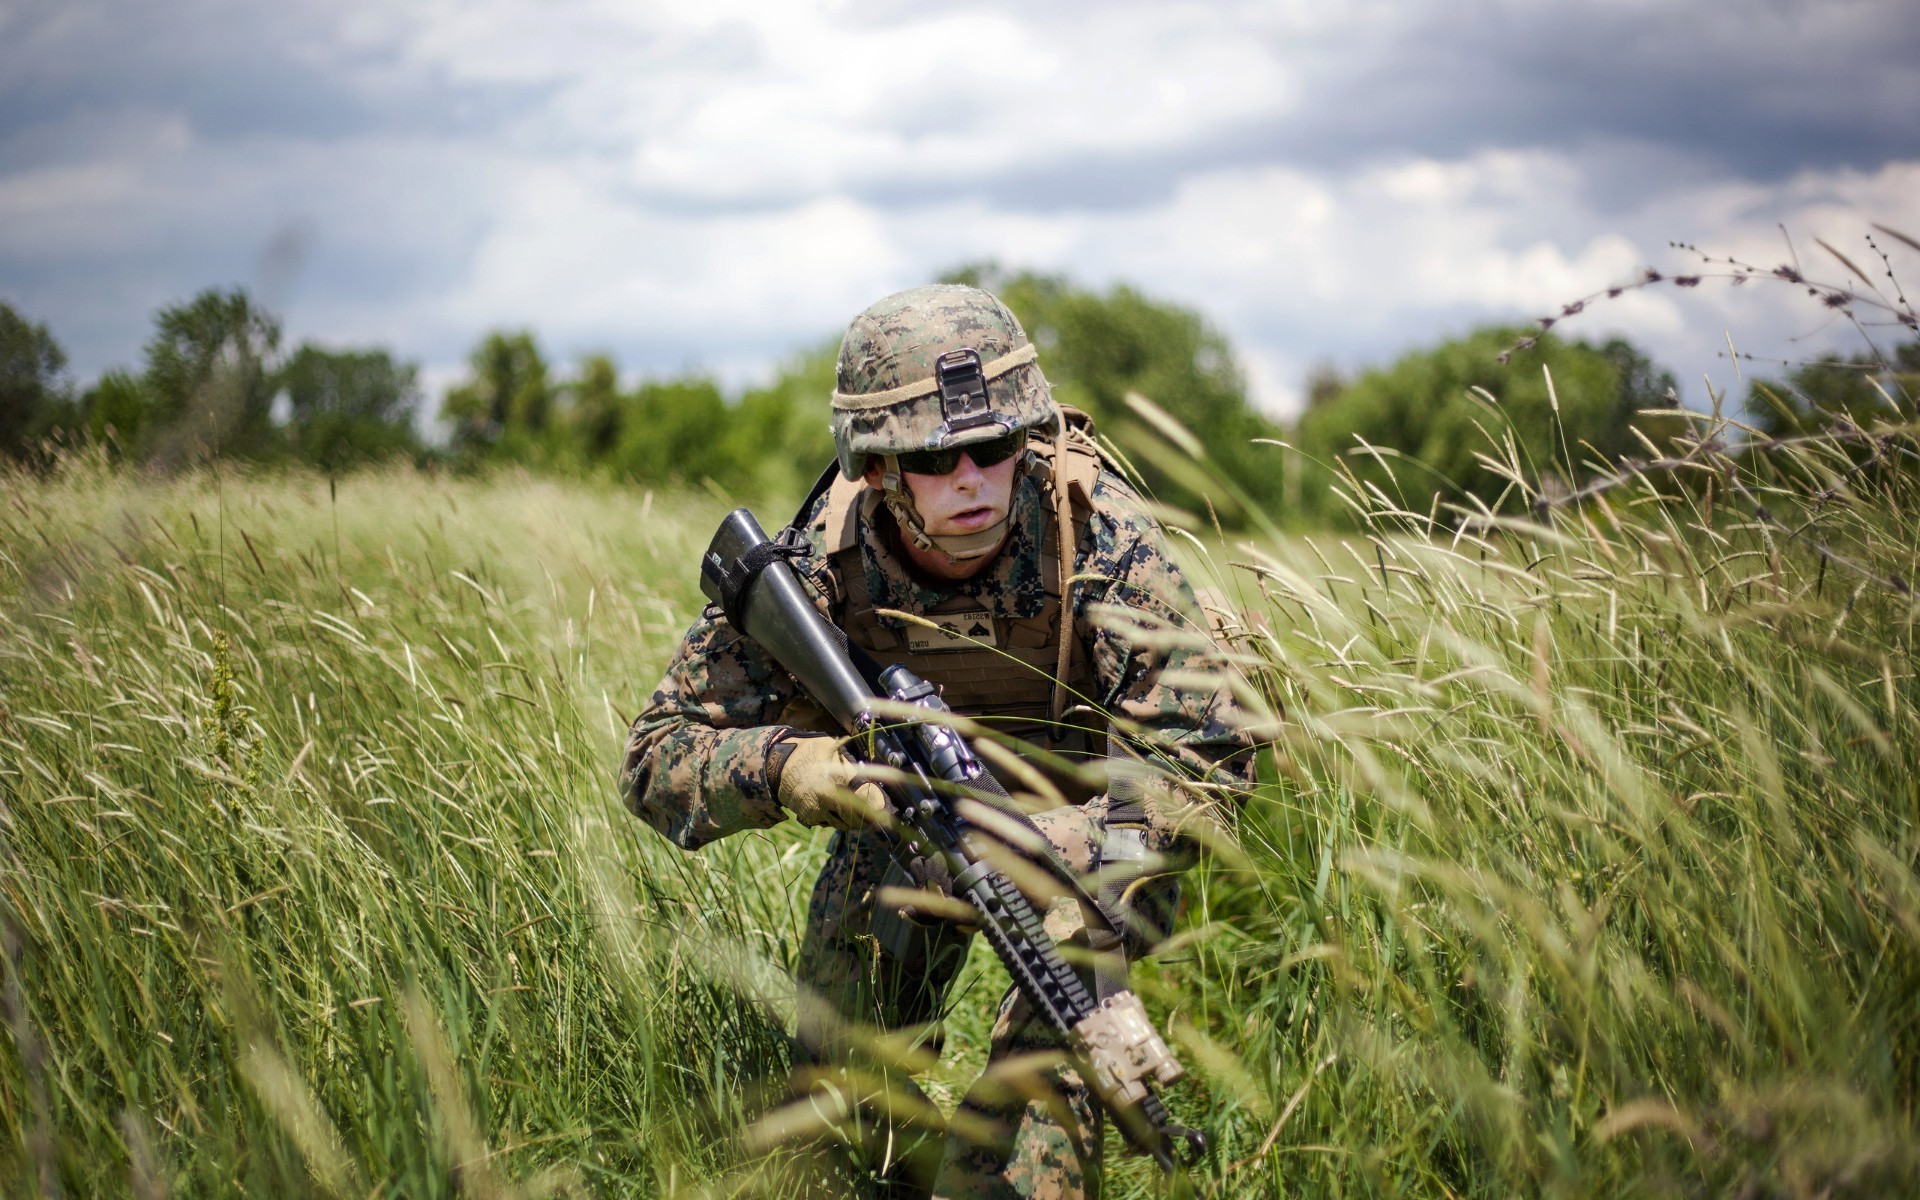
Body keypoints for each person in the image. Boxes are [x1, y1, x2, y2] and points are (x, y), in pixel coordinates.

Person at [623, 284, 1255, 1199]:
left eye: (995, 448)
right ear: (876, 466)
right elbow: (656, 755)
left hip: (1098, 834)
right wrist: (795, 771)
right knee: (844, 1091)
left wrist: (1060, 850)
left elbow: (1204, 762)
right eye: (934, 456)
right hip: (913, 824)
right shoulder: (818, 563)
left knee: (1057, 1040)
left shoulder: (1100, 536)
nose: (972, 479)